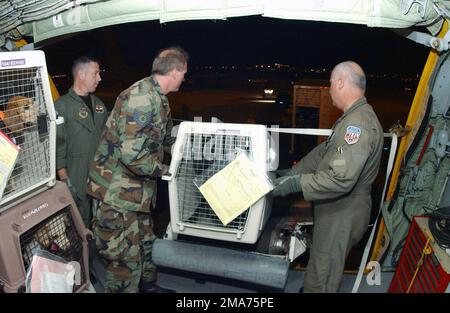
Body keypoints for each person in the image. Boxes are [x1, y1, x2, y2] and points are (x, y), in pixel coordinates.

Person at [272, 61, 383, 293]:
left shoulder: (357, 125)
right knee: (321, 262)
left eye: (331, 83)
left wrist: (294, 183)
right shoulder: (350, 118)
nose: (330, 88)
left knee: (323, 272)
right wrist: (291, 172)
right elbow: (322, 154)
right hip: (338, 206)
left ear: (341, 82)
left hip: (344, 209)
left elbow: (340, 180)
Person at [86, 46, 188, 293]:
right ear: (174, 72)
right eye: (184, 72)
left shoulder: (159, 99)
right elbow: (133, 156)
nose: (185, 77)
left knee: (145, 244)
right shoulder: (141, 99)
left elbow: (163, 140)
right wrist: (167, 170)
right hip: (117, 196)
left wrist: (188, 151)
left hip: (138, 193)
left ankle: (148, 287)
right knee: (124, 260)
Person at [56, 56, 108, 229]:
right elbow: (58, 145)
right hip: (75, 172)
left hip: (99, 173)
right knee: (78, 221)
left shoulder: (99, 105)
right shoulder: (61, 106)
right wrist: (65, 180)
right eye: (96, 74)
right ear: (81, 75)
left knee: (101, 220)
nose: (99, 78)